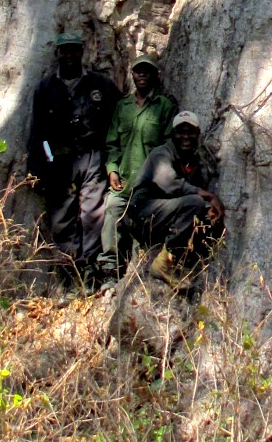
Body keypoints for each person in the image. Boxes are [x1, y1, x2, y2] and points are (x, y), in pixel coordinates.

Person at [26, 33, 119, 277]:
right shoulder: (46, 88)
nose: (69, 56)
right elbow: (39, 132)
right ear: (57, 53)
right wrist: (42, 164)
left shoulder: (100, 84)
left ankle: (89, 271)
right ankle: (68, 274)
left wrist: (112, 161)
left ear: (82, 52)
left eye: (74, 50)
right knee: (61, 220)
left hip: (92, 158)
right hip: (59, 162)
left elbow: (117, 122)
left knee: (92, 215)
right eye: (64, 51)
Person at [97, 53, 177, 283]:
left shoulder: (164, 107)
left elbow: (169, 147)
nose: (142, 75)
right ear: (132, 74)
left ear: (155, 75)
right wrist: (112, 169)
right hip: (123, 181)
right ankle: (109, 273)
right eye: (138, 71)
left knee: (143, 228)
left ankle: (138, 275)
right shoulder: (123, 107)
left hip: (149, 185)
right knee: (112, 210)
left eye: (147, 71)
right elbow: (112, 143)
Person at [125, 111, 225, 288]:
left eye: (190, 132)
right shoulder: (161, 154)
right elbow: (171, 184)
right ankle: (162, 264)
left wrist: (210, 208)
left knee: (204, 214)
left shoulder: (191, 160)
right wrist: (209, 196)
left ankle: (182, 261)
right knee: (195, 203)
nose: (185, 137)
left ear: (198, 134)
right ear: (173, 134)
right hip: (141, 213)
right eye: (180, 132)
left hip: (162, 216)